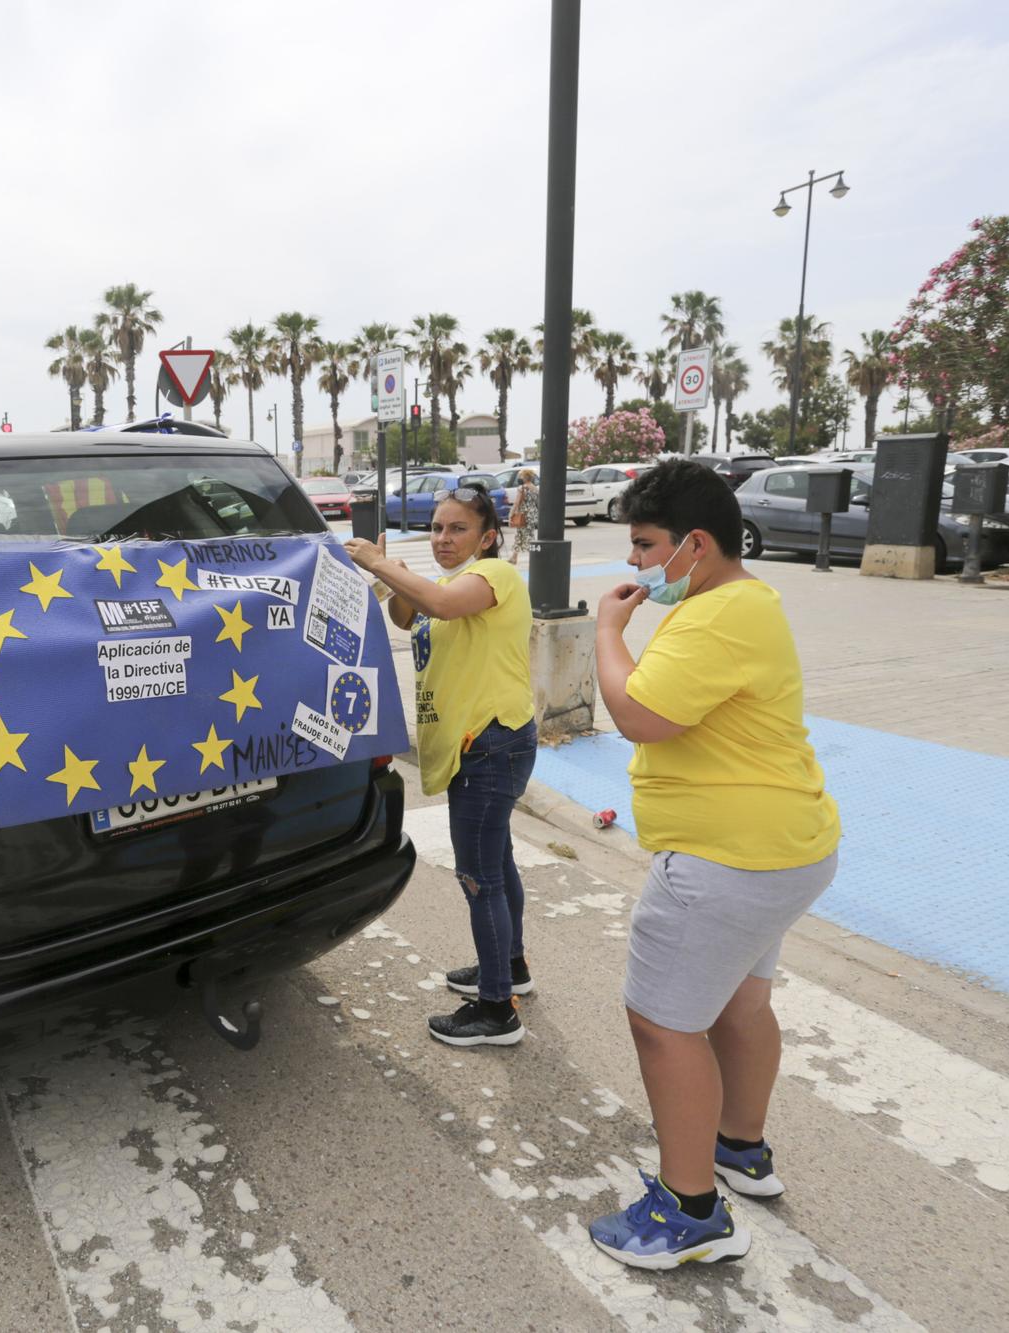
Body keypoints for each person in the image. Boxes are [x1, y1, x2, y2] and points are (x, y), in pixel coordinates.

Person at [585, 460, 841, 1270]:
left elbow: (638, 713)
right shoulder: (747, 600)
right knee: (739, 1005)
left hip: (724, 861)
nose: (635, 565)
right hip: (787, 848)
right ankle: (740, 1148)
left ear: (695, 544)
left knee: (664, 1022)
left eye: (645, 546)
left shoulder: (711, 618)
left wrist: (604, 633)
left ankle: (691, 1209)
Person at [345, 485, 537, 1048]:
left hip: (489, 744)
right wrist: (391, 575)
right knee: (496, 863)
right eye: (436, 528)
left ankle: (498, 1010)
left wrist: (381, 564)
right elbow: (412, 615)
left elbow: (444, 606)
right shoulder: (448, 584)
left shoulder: (495, 578)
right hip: (472, 745)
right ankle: (511, 965)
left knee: (479, 879)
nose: (444, 539)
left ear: (488, 537)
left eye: (458, 529)